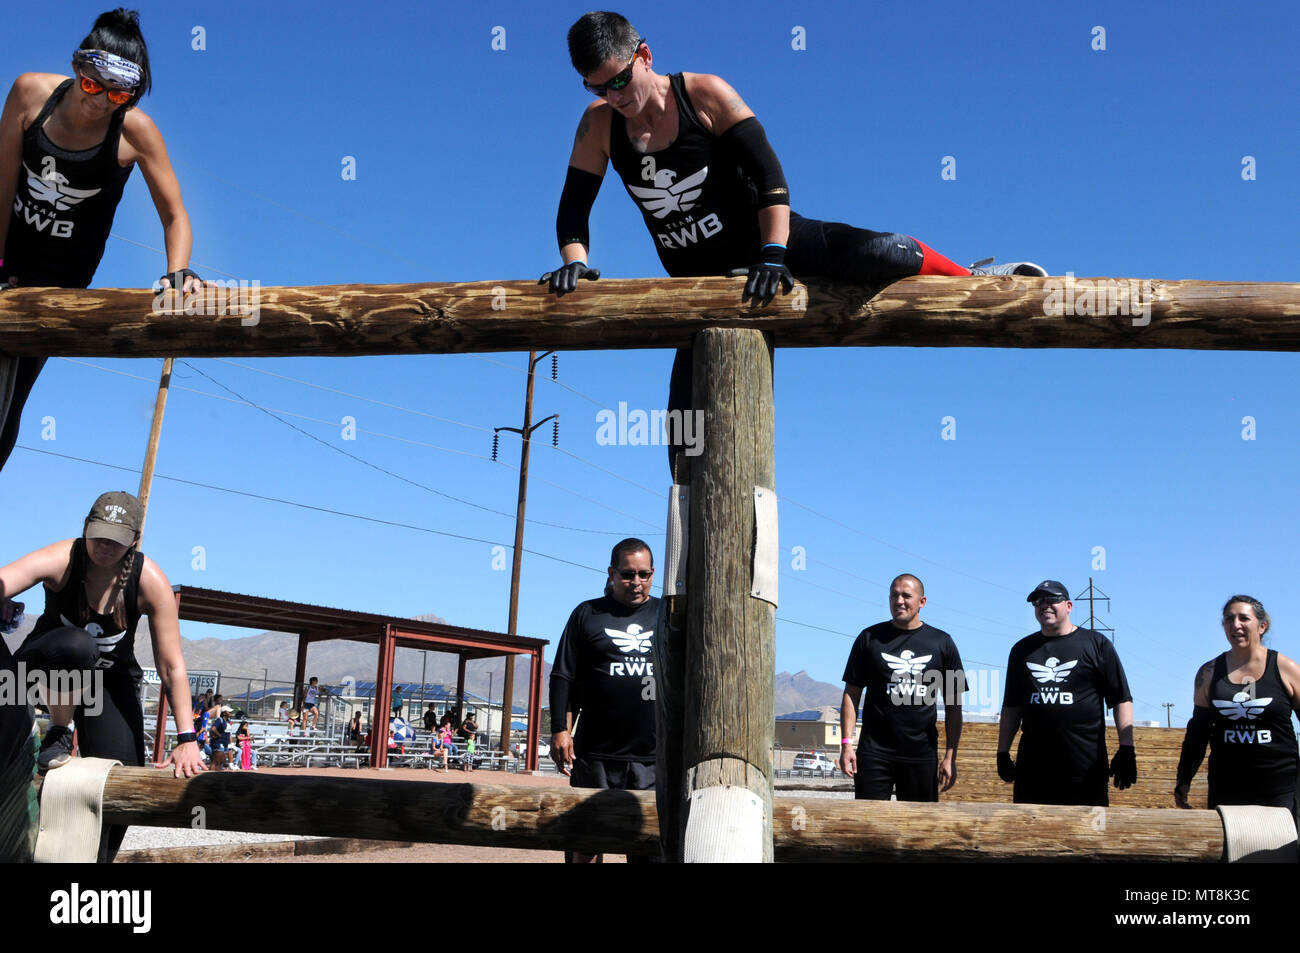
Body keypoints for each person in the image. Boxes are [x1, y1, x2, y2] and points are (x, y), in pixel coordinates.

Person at [541, 13, 1046, 469]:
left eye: (622, 79)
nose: (616, 96)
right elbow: (573, 210)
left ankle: (973, 277)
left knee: (878, 252)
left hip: (771, 243)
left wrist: (774, 254)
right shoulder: (599, 124)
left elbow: (770, 178)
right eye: (600, 86)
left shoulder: (703, 94)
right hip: (699, 288)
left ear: (644, 55)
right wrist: (576, 262)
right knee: (685, 446)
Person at [0, 9, 202, 473]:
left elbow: (175, 215)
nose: (101, 103)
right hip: (9, 255)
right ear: (77, 66)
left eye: (118, 95)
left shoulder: (136, 132)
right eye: (93, 86)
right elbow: (3, 183)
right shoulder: (29, 93)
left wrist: (178, 274)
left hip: (59, 284)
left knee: (9, 399)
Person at [0, 490, 203, 857]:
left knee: (123, 780)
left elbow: (171, 664)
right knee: (78, 645)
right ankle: (59, 732)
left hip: (105, 684)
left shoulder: (149, 579)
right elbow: (4, 579)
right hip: (38, 672)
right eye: (97, 536)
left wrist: (187, 737)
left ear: (134, 542)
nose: (104, 547)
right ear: (85, 529)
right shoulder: (64, 556)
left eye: (116, 541)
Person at [550, 537, 660, 863]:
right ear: (612, 573)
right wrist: (560, 730)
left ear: (653, 573)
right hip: (595, 756)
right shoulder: (587, 614)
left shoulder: (668, 616)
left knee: (647, 849)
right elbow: (563, 676)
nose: (636, 582)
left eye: (643, 574)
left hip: (652, 760)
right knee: (585, 844)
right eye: (628, 574)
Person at [997, 580, 1136, 806]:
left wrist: (1127, 748)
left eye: (1052, 599)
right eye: (1038, 601)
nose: (1044, 605)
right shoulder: (1022, 650)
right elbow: (1011, 707)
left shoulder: (1096, 645)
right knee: (1032, 837)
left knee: (1087, 838)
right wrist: (1003, 752)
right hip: (1034, 772)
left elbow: (1121, 698)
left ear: (1069, 606)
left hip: (1085, 770)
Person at [839, 574, 966, 802]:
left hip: (921, 754)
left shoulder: (942, 643)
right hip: (875, 752)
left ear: (922, 602)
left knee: (919, 831)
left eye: (906, 595)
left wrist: (950, 756)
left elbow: (954, 705)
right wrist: (847, 744)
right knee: (870, 828)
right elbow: (851, 693)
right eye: (894, 595)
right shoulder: (869, 639)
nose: (899, 601)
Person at [1174, 596, 1300, 814]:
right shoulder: (1209, 673)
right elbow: (1197, 734)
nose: (1235, 625)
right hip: (1228, 787)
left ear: (1262, 626)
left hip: (1280, 786)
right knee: (1233, 847)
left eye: (1244, 618)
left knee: (1283, 847)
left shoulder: (1286, 668)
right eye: (1229, 619)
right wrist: (1184, 779)